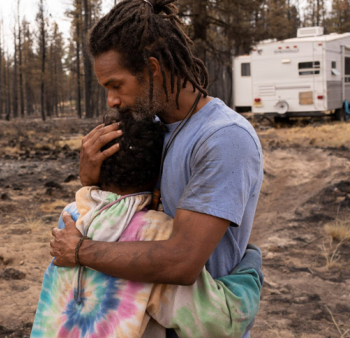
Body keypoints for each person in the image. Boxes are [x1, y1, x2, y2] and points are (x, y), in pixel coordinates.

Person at [49, 1, 264, 337]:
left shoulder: (223, 139)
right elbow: (125, 217)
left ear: (153, 69)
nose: (111, 101)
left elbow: (182, 261)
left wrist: (79, 251)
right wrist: (91, 181)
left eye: (116, 85)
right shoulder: (149, 128)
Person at [33, 114, 262, 338]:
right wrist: (249, 266)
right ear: (160, 178)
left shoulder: (71, 216)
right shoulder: (156, 235)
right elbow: (218, 324)